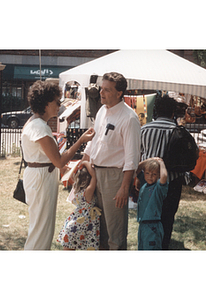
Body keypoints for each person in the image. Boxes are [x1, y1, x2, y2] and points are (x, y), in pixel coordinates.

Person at [21, 80, 95, 250]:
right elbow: (59, 161)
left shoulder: (35, 122)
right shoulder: (40, 127)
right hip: (41, 179)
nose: (59, 105)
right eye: (57, 102)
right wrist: (81, 140)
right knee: (41, 230)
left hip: (39, 175)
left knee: (40, 227)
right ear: (45, 103)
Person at [82, 72, 141, 250]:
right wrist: (84, 161)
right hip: (95, 173)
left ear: (119, 93)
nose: (101, 93)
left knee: (115, 232)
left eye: (107, 90)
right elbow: (95, 140)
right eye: (101, 88)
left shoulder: (129, 118)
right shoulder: (102, 110)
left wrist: (124, 187)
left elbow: (132, 157)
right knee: (99, 229)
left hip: (114, 177)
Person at [140, 94, 184, 250]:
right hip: (172, 181)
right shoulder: (178, 131)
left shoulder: (144, 129)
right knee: (167, 216)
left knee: (148, 215)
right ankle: (163, 245)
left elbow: (139, 154)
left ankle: (146, 243)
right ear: (173, 113)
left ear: (156, 111)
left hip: (148, 182)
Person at [57, 161, 101, 250]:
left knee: (70, 245)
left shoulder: (76, 190)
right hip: (84, 222)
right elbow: (94, 176)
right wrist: (85, 163)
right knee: (86, 243)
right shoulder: (88, 192)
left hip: (75, 220)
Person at [136, 158, 168, 250]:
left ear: (158, 175)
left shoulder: (159, 187)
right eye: (147, 173)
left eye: (154, 174)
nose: (150, 176)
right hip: (143, 226)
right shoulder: (144, 183)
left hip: (153, 226)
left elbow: (164, 176)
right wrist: (150, 160)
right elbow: (137, 169)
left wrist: (161, 162)